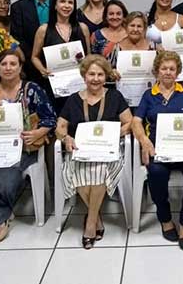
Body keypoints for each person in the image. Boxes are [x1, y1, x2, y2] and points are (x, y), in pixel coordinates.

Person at [0, 49, 56, 242]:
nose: (8, 68)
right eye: (3, 64)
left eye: (13, 64)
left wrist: (38, 133)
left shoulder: (32, 89)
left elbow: (50, 118)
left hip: (22, 146)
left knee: (5, 180)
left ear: (20, 67)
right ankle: (1, 219)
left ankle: (0, 210)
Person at [132, 51, 183, 250]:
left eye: (172, 69)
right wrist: (144, 141)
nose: (168, 72)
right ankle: (165, 218)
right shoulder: (148, 95)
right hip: (158, 150)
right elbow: (136, 121)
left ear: (177, 72)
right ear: (156, 71)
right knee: (156, 172)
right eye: (164, 68)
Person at [56, 55, 133, 249]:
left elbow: (129, 122)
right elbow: (60, 126)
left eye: (100, 74)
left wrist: (115, 135)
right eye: (91, 74)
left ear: (105, 76)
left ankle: (90, 223)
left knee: (98, 169)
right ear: (84, 75)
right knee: (79, 167)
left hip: (110, 151)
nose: (96, 78)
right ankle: (95, 218)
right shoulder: (73, 99)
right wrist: (66, 138)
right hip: (80, 151)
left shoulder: (115, 96)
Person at [31, 0, 90, 113]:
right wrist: (42, 70)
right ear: (55, 5)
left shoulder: (82, 28)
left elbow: (89, 57)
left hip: (79, 86)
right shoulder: (44, 29)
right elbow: (34, 57)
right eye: (62, 2)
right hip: (54, 87)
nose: (67, 6)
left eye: (70, 2)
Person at [10, 0, 54, 83]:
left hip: (59, 65)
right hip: (30, 68)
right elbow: (17, 38)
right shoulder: (18, 7)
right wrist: (36, 61)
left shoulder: (62, 3)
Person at [110, 11, 155, 77]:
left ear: (144, 29)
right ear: (126, 27)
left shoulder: (153, 47)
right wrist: (112, 72)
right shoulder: (116, 48)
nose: (135, 29)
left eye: (139, 26)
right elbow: (109, 70)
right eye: (132, 25)